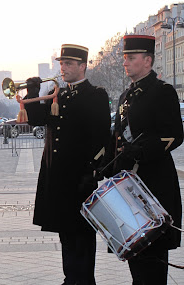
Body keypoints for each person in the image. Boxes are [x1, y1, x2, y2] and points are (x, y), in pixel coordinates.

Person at [20, 44, 111, 285]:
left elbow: (102, 137)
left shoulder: (95, 95)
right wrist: (32, 93)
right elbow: (37, 120)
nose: (63, 68)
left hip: (80, 176)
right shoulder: (57, 93)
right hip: (58, 175)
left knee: (81, 233)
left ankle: (82, 280)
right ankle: (71, 277)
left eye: (69, 63)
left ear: (83, 66)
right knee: (65, 231)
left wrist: (93, 169)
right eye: (62, 63)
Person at [100, 35, 183, 285]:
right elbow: (118, 137)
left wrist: (141, 151)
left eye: (131, 58)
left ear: (147, 61)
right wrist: (108, 164)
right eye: (125, 58)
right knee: (135, 258)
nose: (125, 63)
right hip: (128, 186)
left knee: (153, 263)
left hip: (154, 184)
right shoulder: (126, 95)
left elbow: (174, 135)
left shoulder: (162, 92)